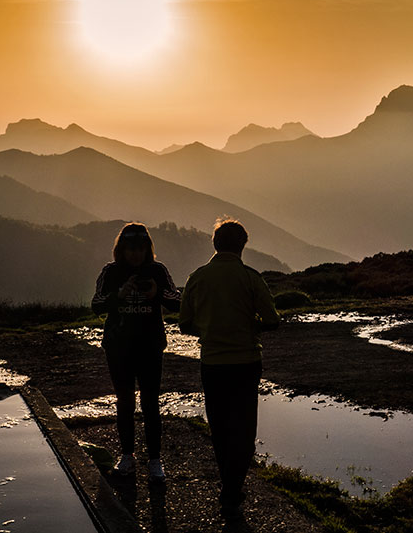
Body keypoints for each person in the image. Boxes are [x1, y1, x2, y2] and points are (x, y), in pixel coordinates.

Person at [179, 218, 280, 519]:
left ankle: (228, 486)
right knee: (245, 428)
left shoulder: (198, 277)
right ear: (243, 245)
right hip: (247, 362)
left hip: (213, 363)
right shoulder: (251, 278)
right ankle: (233, 488)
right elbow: (272, 321)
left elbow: (184, 324)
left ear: (214, 243)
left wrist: (209, 329)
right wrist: (252, 325)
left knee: (220, 427)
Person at [92, 223, 180, 483]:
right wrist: (119, 295)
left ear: (147, 249)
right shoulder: (111, 272)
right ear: (121, 250)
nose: (135, 255)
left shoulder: (157, 271)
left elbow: (175, 302)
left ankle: (155, 461)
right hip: (118, 348)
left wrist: (156, 292)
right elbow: (95, 304)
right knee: (124, 403)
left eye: (140, 249)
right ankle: (127, 456)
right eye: (130, 250)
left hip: (150, 346)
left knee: (151, 404)